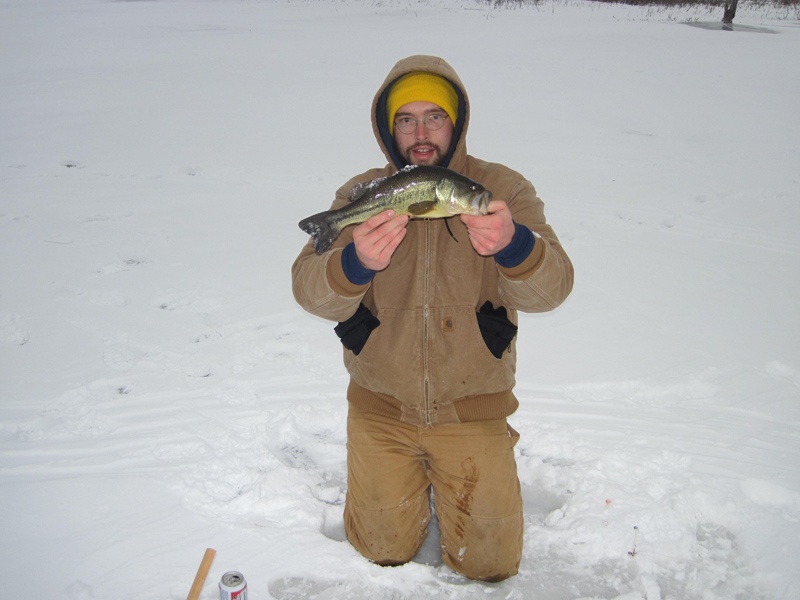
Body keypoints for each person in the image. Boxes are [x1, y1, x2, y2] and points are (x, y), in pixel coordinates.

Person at [292, 55, 574, 582]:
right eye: (406, 119)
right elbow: (310, 293)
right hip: (382, 408)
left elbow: (553, 289)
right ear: (387, 127)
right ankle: (398, 484)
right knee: (381, 554)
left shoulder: (500, 190)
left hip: (471, 409)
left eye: (435, 117)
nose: (421, 132)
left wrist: (514, 247)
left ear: (457, 121)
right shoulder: (364, 189)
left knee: (490, 565)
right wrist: (354, 262)